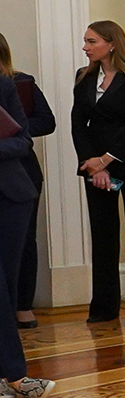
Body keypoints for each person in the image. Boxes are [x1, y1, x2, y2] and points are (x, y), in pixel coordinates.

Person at [68, 23, 125, 325]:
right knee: (102, 235)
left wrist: (106, 160)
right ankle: (103, 308)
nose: (86, 47)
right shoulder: (84, 76)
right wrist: (91, 162)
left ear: (112, 43)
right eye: (85, 41)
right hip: (93, 164)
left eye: (92, 41)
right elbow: (78, 122)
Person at [0, 65, 50, 398]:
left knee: (8, 285)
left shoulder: (4, 85)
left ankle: (9, 378)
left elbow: (23, 139)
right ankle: (16, 374)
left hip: (11, 197)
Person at [4, 36, 57, 330]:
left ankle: (23, 305)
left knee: (24, 240)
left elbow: (46, 121)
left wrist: (15, 128)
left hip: (20, 170)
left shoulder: (21, 82)